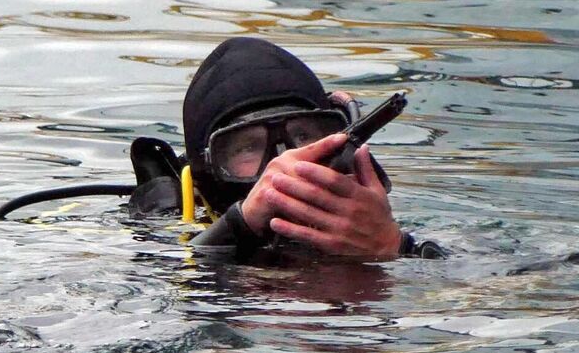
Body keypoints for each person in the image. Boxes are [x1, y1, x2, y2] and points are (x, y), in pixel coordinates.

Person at [130, 37, 440, 260]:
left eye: (304, 135)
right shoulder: (163, 245)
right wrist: (241, 226)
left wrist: (393, 246)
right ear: (206, 173)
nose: (283, 161)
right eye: (247, 147)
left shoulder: (395, 233)